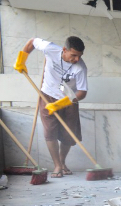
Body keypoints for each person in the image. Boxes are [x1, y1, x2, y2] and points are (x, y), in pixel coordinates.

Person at [14, 36, 88, 178]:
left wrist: (63, 102)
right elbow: (32, 41)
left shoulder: (81, 67)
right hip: (47, 96)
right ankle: (57, 165)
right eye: (74, 55)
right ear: (64, 50)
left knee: (68, 135)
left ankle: (62, 161)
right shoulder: (50, 49)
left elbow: (82, 92)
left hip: (68, 100)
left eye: (79, 56)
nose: (77, 59)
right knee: (50, 132)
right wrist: (22, 59)